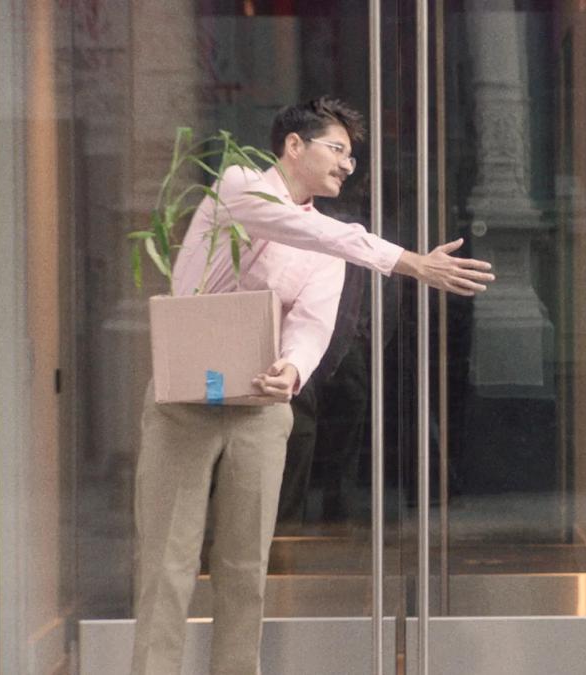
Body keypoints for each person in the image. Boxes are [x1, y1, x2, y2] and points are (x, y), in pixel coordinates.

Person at [131, 97, 494, 675]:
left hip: (262, 404)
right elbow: (307, 231)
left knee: (246, 564)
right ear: (294, 146)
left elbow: (313, 321)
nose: (349, 165)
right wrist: (408, 262)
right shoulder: (240, 184)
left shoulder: (330, 241)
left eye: (353, 156)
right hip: (186, 398)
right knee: (167, 562)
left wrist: (294, 369)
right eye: (338, 149)